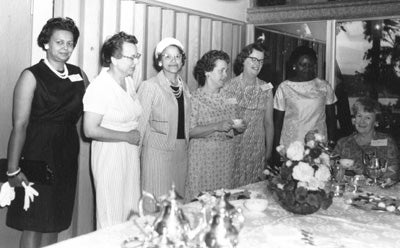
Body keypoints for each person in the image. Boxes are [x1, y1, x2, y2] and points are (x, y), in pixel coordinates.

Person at [5, 17, 87, 248]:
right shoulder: (31, 75)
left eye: (70, 43)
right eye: (59, 42)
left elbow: (93, 108)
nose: (65, 48)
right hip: (38, 153)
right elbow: (19, 125)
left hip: (67, 153)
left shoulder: (78, 74)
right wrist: (13, 169)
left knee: (56, 220)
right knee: (35, 221)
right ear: (46, 43)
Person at [83, 32, 142, 229]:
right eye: (130, 57)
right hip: (110, 155)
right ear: (114, 59)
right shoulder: (99, 87)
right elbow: (90, 130)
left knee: (130, 213)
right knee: (111, 214)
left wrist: (130, 138)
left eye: (136, 56)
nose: (135, 61)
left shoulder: (129, 82)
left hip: (129, 154)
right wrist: (126, 136)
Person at [185, 50, 246, 201]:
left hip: (226, 157)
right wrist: (216, 126)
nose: (225, 75)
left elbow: (235, 125)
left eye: (226, 70)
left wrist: (240, 127)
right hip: (202, 158)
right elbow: (190, 132)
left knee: (223, 201)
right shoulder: (194, 98)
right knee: (200, 201)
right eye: (221, 71)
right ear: (207, 72)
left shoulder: (230, 98)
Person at [138, 37, 190, 198]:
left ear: (182, 60)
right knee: (156, 201)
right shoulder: (150, 86)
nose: (173, 60)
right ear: (159, 61)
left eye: (177, 56)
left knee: (177, 201)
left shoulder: (184, 87)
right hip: (156, 153)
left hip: (181, 151)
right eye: (167, 56)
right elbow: (140, 125)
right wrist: (135, 158)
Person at [222, 40, 274, 187]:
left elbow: (269, 123)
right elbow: (227, 118)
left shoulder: (266, 88)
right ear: (243, 60)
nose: (257, 64)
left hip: (256, 149)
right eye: (253, 59)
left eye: (261, 61)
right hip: (234, 147)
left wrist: (268, 152)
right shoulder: (229, 87)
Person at [273, 45, 337, 151]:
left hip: (318, 144)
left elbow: (331, 119)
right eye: (303, 65)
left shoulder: (324, 86)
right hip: (291, 145)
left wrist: (332, 142)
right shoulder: (284, 88)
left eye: (310, 65)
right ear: (295, 65)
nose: (307, 69)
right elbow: (278, 123)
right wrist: (276, 149)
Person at [333, 97, 399, 181]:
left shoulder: (387, 142)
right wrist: (339, 171)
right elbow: (333, 170)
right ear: (354, 119)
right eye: (359, 116)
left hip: (378, 192)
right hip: (350, 192)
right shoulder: (343, 143)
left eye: (368, 118)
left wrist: (365, 172)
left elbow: (394, 174)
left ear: (376, 122)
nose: (362, 121)